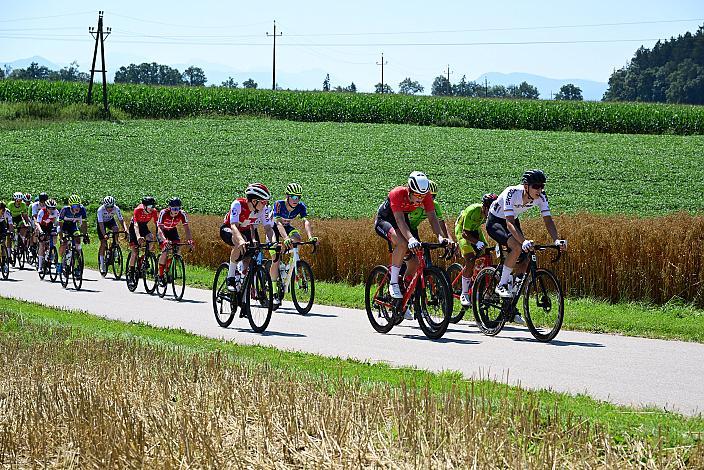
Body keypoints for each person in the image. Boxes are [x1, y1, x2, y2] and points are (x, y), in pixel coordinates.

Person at [486, 169, 567, 323]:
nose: (540, 190)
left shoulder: (541, 197)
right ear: (526, 186)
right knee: (517, 247)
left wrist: (557, 239)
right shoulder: (512, 192)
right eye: (536, 186)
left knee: (527, 255)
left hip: (512, 220)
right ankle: (502, 285)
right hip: (496, 220)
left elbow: (548, 220)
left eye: (542, 186)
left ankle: (512, 297)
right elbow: (508, 222)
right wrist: (522, 241)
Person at [374, 171, 454, 319]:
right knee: (403, 243)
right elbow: (399, 221)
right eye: (417, 196)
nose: (420, 200)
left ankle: (404, 289)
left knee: (416, 262)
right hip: (385, 220)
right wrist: (411, 239)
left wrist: (441, 237)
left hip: (403, 221)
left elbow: (432, 217)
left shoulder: (426, 195)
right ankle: (393, 283)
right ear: (409, 190)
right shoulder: (397, 193)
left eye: (422, 197)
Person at [219, 183, 276, 292]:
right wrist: (240, 241)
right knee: (241, 241)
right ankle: (230, 278)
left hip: (245, 230)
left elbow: (268, 228)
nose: (266, 205)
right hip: (229, 229)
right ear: (254, 201)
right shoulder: (238, 204)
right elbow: (234, 226)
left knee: (252, 253)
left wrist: (274, 242)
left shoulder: (263, 209)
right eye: (263, 202)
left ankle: (242, 280)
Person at [269, 183, 319, 304]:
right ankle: (274, 292)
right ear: (287, 196)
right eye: (294, 197)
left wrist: (311, 237)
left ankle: (292, 261)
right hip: (274, 229)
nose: (296, 200)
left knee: (297, 238)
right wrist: (285, 238)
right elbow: (278, 223)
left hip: (287, 228)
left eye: (298, 197)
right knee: (275, 259)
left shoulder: (300, 206)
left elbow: (306, 222)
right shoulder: (279, 204)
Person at [454, 193, 497, 307]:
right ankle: (464, 293)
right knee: (470, 258)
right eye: (490, 209)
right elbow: (465, 233)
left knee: (487, 254)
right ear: (484, 207)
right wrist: (476, 242)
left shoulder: (490, 213)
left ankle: (478, 281)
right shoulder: (473, 210)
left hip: (474, 230)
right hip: (462, 231)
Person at [156, 197, 193, 285]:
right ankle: (160, 275)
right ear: (169, 208)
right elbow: (159, 229)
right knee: (165, 251)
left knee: (177, 249)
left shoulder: (182, 214)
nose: (176, 211)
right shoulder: (164, 212)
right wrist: (164, 240)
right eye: (174, 209)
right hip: (162, 231)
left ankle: (169, 267)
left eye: (178, 208)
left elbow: (187, 229)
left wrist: (190, 240)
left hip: (172, 230)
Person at [57, 194, 89, 274]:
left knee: (78, 238)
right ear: (70, 206)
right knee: (64, 243)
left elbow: (84, 224)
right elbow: (60, 226)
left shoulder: (82, 210)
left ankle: (77, 261)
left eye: (78, 205)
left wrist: (85, 234)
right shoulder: (65, 210)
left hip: (73, 226)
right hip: (63, 227)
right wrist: (61, 238)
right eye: (75, 206)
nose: (77, 208)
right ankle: (60, 262)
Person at [127, 196, 159, 274]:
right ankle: (131, 271)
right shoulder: (138, 210)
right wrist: (138, 236)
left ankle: (144, 258)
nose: (152, 208)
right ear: (144, 206)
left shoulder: (154, 211)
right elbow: (136, 225)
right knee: (135, 251)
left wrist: (160, 236)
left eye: (153, 206)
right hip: (134, 228)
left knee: (151, 238)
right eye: (150, 206)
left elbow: (157, 224)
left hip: (143, 226)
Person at [97, 196, 129, 272]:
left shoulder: (116, 208)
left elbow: (121, 220)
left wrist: (125, 229)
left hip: (110, 221)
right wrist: (104, 234)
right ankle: (102, 264)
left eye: (111, 206)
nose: (110, 208)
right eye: (108, 207)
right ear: (105, 206)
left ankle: (115, 245)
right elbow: (101, 224)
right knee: (103, 243)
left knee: (116, 229)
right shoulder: (100, 210)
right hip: (102, 223)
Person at [35, 198, 59, 273]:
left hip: (50, 226)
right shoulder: (42, 212)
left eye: (53, 208)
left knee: (53, 240)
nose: (51, 210)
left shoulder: (56, 212)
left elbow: (57, 222)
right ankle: (40, 266)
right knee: (42, 244)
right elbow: (37, 223)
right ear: (46, 207)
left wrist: (58, 230)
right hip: (42, 226)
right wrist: (41, 231)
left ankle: (50, 255)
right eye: (50, 208)